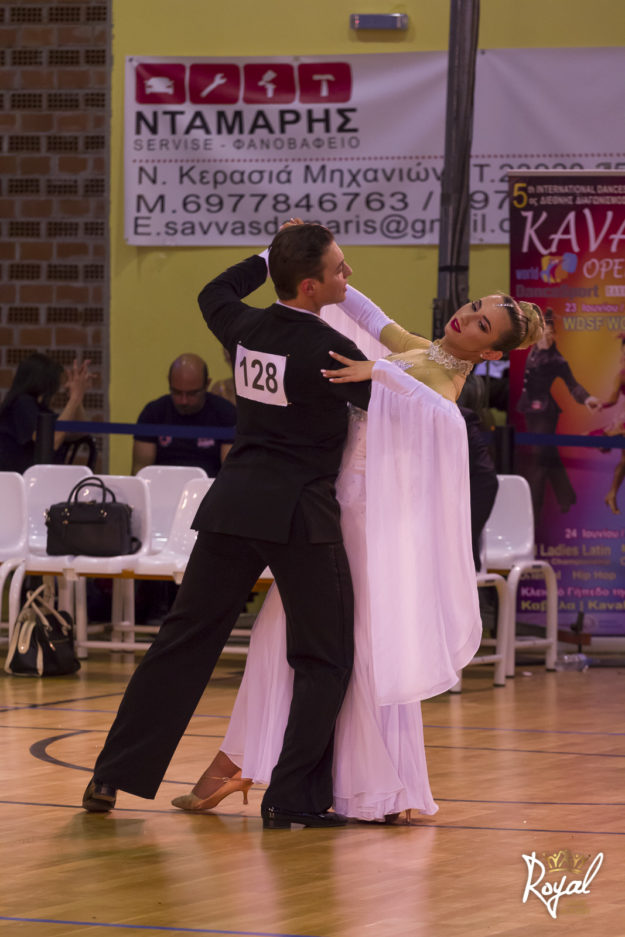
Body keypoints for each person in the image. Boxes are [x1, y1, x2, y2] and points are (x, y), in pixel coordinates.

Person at [172, 277, 544, 824]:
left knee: (352, 642)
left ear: (490, 353)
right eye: (472, 307)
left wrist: (382, 372)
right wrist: (322, 272)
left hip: (368, 521)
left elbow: (431, 410)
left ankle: (367, 780)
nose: (466, 318)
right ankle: (249, 760)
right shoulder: (422, 350)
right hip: (332, 504)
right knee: (283, 631)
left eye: (481, 324)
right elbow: (369, 317)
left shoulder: (443, 382)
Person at [82, 223, 374, 830]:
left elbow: (214, 290)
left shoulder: (244, 327)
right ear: (310, 285)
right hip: (300, 516)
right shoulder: (331, 352)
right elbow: (396, 403)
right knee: (324, 657)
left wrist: (270, 252)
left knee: (183, 641)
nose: (349, 275)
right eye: (340, 268)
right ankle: (291, 798)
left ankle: (111, 774)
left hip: (234, 504)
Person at [516, 308, 600, 520]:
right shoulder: (531, 348)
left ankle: (532, 513)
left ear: (555, 335)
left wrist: (587, 399)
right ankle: (567, 497)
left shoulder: (557, 360)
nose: (547, 337)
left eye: (550, 333)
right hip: (529, 409)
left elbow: (573, 385)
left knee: (539, 461)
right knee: (548, 454)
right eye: (543, 332)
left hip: (545, 413)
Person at [131, 353, 236, 476]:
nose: (183, 401)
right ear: (169, 382)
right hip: (160, 485)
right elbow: (141, 472)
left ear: (207, 384)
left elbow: (230, 474)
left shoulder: (226, 414)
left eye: (192, 394)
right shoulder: (153, 413)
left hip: (210, 486)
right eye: (176, 392)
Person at [0, 353, 93, 473]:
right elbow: (49, 443)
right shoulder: (22, 404)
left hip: (45, 476)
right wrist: (75, 398)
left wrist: (76, 399)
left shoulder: (42, 410)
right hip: (23, 477)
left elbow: (81, 432)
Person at [590, 334, 625, 514]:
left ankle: (611, 494)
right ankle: (611, 494)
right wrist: (601, 405)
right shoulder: (621, 376)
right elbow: (613, 399)